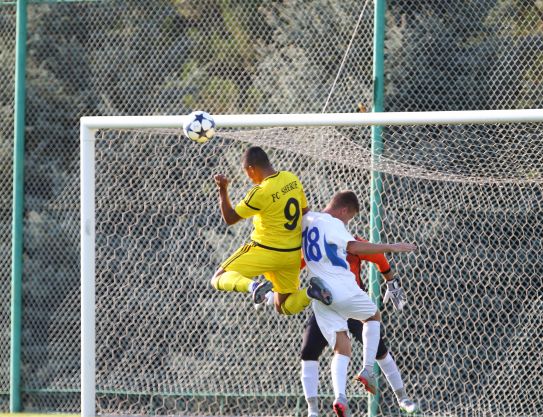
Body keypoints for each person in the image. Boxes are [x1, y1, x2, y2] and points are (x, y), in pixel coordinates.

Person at [300, 190, 417, 417]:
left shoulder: (318, 227)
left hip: (335, 299)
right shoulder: (336, 231)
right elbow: (300, 263)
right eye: (349, 218)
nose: (347, 223)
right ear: (343, 211)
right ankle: (315, 409)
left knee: (377, 351)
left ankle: (402, 398)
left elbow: (378, 259)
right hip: (339, 297)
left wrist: (391, 283)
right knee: (310, 350)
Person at [211, 146, 329, 315]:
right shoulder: (291, 179)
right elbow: (305, 212)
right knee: (282, 306)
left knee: (218, 278)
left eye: (246, 172)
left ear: (251, 169)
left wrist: (222, 188)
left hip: (265, 251)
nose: (249, 178)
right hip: (291, 255)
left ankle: (254, 286)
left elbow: (229, 218)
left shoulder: (260, 192)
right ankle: (310, 292)